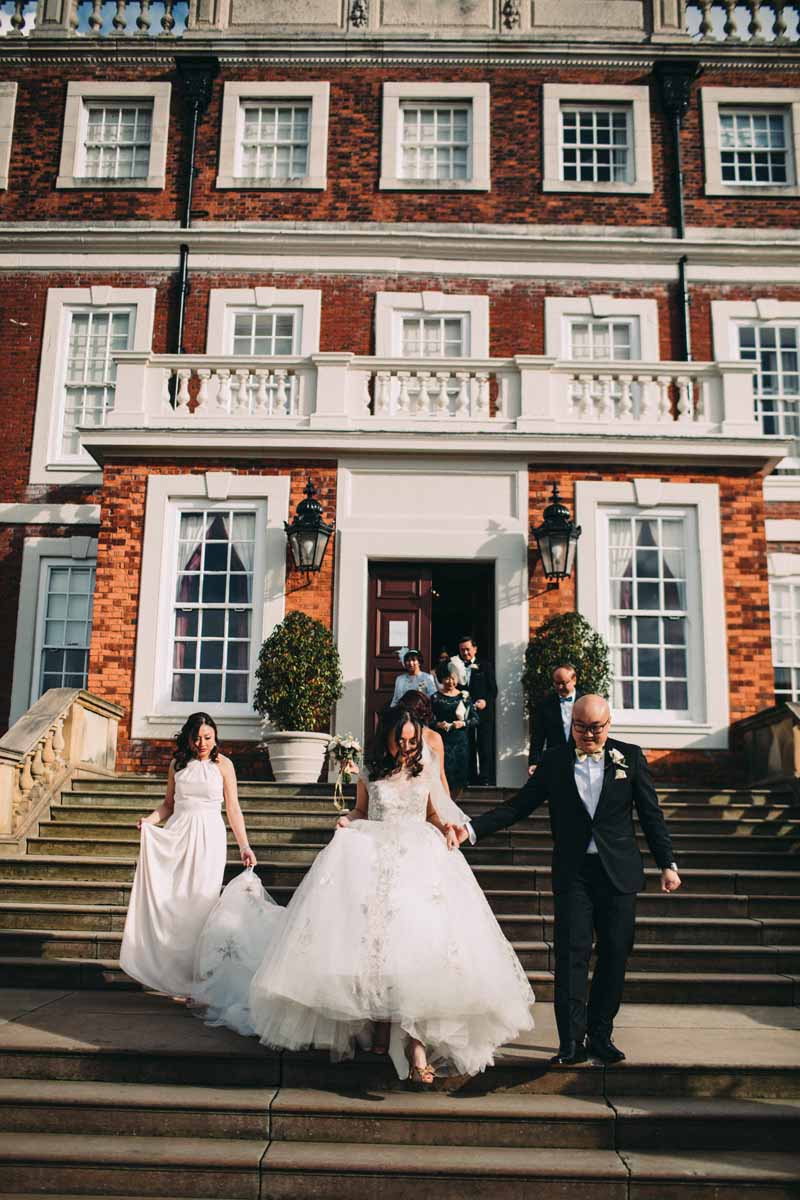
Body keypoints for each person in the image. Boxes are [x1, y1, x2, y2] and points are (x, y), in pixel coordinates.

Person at [192, 710, 534, 1084]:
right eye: (400, 741)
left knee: (419, 948)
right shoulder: (370, 772)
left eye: (412, 742)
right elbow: (360, 810)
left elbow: (433, 815)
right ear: (386, 739)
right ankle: (381, 1024)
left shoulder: (425, 770)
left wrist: (449, 830)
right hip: (375, 863)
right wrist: (348, 820)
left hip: (419, 863)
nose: (406, 749)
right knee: (376, 946)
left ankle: (416, 1047)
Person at [455, 694, 680, 1066]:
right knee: (571, 955)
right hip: (574, 873)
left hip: (618, 872)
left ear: (608, 725)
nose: (588, 734)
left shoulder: (631, 758)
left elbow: (651, 816)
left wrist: (667, 863)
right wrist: (471, 830)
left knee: (614, 952)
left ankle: (601, 1033)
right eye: (580, 727)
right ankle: (571, 1042)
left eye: (595, 728)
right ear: (571, 723)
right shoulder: (555, 760)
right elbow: (518, 806)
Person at [120, 712, 256, 998]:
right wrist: (148, 820)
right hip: (177, 834)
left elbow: (233, 808)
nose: (202, 743)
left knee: (201, 902)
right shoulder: (177, 764)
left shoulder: (224, 765)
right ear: (189, 739)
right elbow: (168, 805)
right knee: (174, 903)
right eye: (197, 738)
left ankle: (198, 976)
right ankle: (171, 975)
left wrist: (244, 846)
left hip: (210, 837)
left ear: (215, 736)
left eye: (207, 737)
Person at [431, 657, 479, 797]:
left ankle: (454, 806)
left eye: (453, 678)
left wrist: (462, 723)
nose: (450, 682)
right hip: (441, 742)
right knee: (442, 775)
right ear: (441, 679)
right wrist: (437, 724)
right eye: (446, 678)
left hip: (460, 744)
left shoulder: (464, 696)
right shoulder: (434, 697)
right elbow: (427, 720)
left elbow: (475, 719)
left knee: (459, 779)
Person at [528, 664, 586, 776]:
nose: (560, 687)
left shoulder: (586, 702)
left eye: (563, 683)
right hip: (554, 761)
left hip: (582, 761)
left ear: (574, 680)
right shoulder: (545, 704)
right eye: (556, 683)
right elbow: (537, 737)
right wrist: (534, 762)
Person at [394, 691, 452, 801]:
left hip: (429, 795)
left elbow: (441, 773)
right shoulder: (398, 735)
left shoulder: (433, 737)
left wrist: (447, 801)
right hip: (403, 792)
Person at [457, 634, 497, 786]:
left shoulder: (485, 665)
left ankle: (485, 778)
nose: (465, 653)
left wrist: (485, 701)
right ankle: (470, 776)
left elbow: (493, 689)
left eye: (467, 649)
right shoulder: (456, 666)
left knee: (484, 744)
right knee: (468, 744)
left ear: (475, 649)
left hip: (483, 712)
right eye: (462, 650)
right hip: (464, 712)